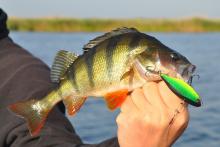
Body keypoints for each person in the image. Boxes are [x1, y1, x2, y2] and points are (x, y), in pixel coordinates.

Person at [0, 8, 189, 147]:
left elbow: (43, 142)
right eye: (173, 58)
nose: (177, 62)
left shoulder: (21, 75)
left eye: (174, 58)